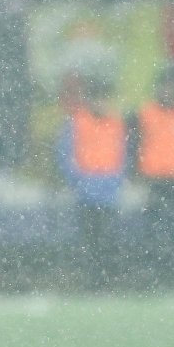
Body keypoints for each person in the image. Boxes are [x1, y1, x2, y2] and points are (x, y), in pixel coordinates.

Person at [55, 74, 129, 289]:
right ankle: (93, 281)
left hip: (109, 193)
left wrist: (117, 182)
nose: (101, 103)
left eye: (104, 98)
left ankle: (107, 281)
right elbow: (64, 155)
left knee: (109, 239)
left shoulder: (117, 123)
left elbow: (124, 155)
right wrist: (77, 182)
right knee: (89, 240)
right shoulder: (77, 122)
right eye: (97, 98)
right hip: (86, 192)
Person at [131, 70, 174, 282]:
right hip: (154, 179)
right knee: (153, 228)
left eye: (173, 87)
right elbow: (132, 144)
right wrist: (135, 173)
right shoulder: (145, 113)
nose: (169, 91)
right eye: (165, 87)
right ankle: (154, 271)